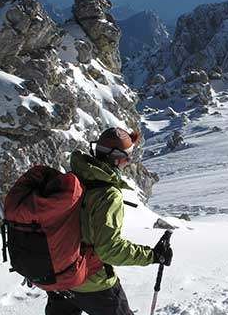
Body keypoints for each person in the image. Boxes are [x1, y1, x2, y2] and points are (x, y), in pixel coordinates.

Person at [45, 127, 173, 315]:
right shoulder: (108, 195)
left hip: (58, 276)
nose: (129, 161)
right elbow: (109, 250)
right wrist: (152, 256)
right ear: (116, 158)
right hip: (91, 281)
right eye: (128, 156)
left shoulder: (73, 178)